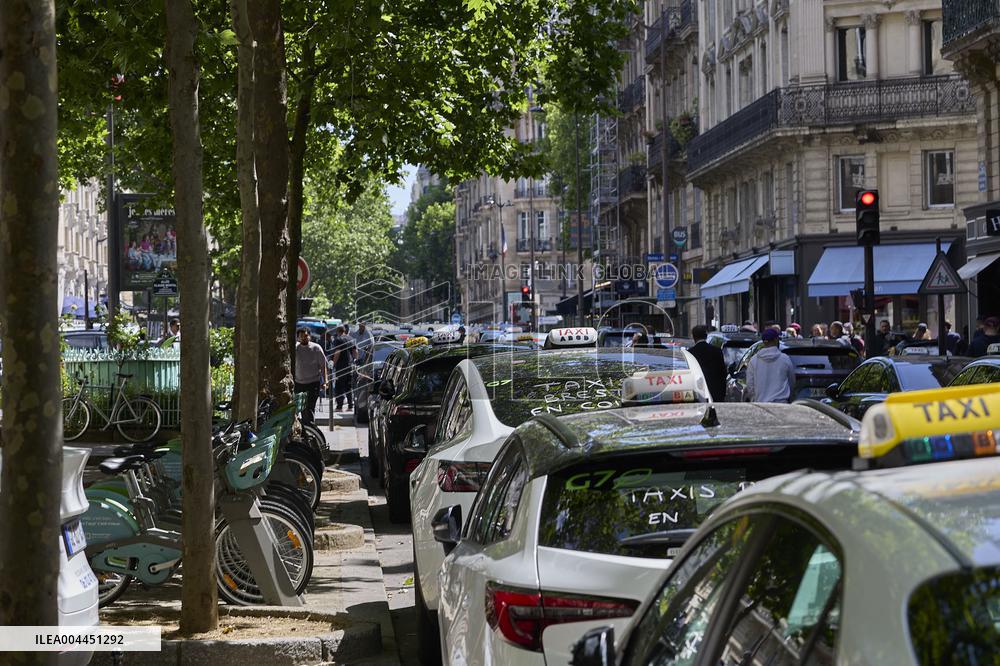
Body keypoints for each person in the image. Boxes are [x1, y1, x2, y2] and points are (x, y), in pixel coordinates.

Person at [746, 328, 797, 403]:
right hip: (781, 404)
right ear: (776, 340)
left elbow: (750, 385)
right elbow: (792, 381)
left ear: (763, 342)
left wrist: (755, 399)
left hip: (761, 404)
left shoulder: (754, 360)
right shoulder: (785, 359)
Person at [294, 327, 328, 425]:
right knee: (301, 408)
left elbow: (323, 366)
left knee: (309, 407)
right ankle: (305, 427)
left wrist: (325, 381)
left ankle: (310, 428)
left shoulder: (316, 348)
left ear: (309, 336)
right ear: (298, 338)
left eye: (305, 336)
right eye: (301, 337)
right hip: (299, 383)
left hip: (313, 383)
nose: (304, 338)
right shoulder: (295, 348)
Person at [688, 325, 727, 402]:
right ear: (706, 336)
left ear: (693, 337)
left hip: (698, 393)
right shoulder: (717, 351)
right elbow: (723, 373)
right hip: (715, 392)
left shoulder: (690, 353)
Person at [330, 325, 358, 411]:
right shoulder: (351, 339)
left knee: (339, 386)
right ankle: (350, 406)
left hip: (340, 366)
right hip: (349, 366)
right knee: (348, 386)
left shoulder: (338, 340)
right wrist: (355, 361)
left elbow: (337, 352)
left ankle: (339, 406)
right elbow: (355, 352)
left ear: (338, 332)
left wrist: (333, 364)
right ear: (345, 330)